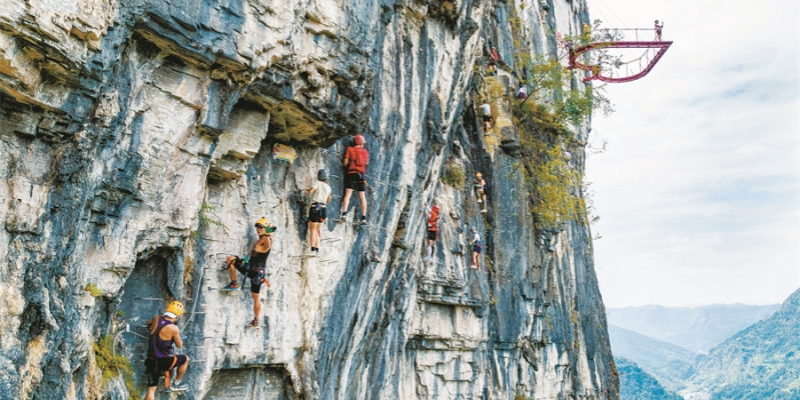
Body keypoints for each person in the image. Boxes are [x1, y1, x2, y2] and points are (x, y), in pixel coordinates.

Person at [223, 217, 275, 327]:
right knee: (256, 297)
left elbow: (268, 243)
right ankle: (256, 319)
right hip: (256, 272)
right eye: (257, 227)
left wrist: (268, 232)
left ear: (266, 229)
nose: (258, 229)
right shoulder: (262, 239)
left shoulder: (266, 240)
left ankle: (234, 283)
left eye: (261, 227)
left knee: (231, 259)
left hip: (254, 271)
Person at [144, 301, 189, 399]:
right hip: (164, 361)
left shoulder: (156, 318)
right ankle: (176, 383)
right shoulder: (174, 328)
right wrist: (174, 337)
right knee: (186, 359)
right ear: (176, 316)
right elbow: (179, 345)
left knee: (151, 389)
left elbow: (147, 324)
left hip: (151, 361)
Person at [339, 134, 369, 225]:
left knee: (348, 194)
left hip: (351, 173)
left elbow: (345, 162)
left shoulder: (350, 149)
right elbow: (366, 162)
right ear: (361, 142)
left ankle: (344, 214)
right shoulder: (365, 151)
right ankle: (363, 218)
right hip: (361, 175)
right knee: (362, 196)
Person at [307, 169, 332, 257]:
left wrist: (308, 191)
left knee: (313, 230)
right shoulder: (328, 187)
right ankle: (317, 250)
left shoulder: (317, 183)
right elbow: (328, 199)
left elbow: (311, 191)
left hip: (315, 208)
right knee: (317, 230)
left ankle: (312, 249)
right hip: (324, 210)